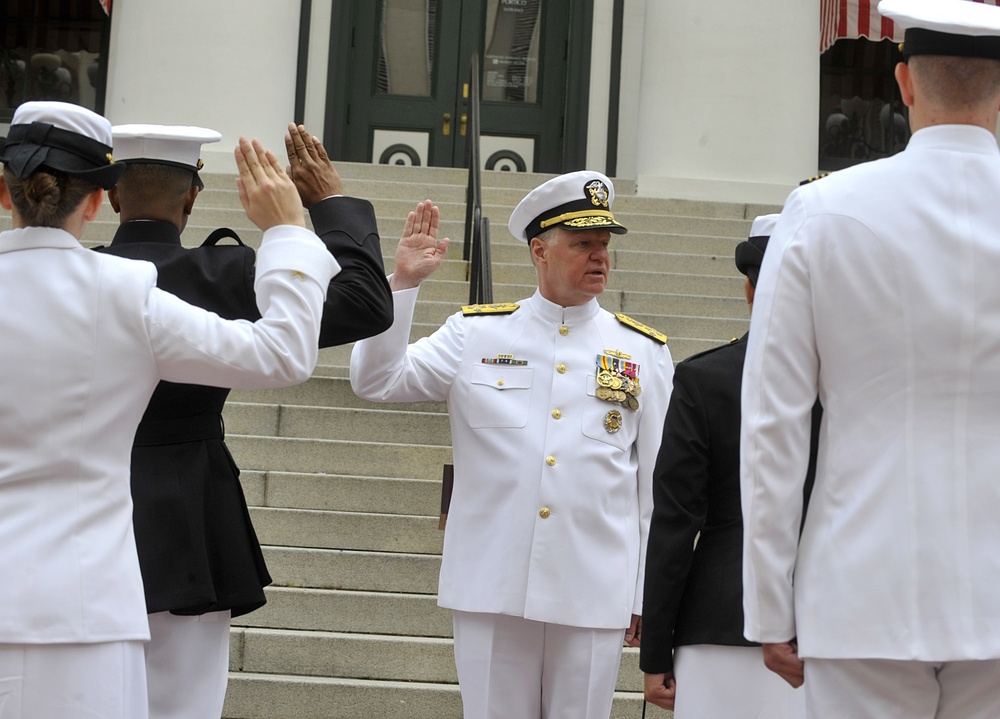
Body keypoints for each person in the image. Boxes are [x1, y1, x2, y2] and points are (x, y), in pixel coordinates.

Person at [0, 101, 338, 719]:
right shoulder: (124, 292)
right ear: (100, 198)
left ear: (5, 192)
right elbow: (283, 355)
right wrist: (288, 232)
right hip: (84, 605)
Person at [740, 1, 1000, 717]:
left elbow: (773, 423)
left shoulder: (820, 211)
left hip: (862, 583)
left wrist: (770, 602)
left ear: (905, 86)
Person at [349, 172, 674, 719]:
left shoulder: (641, 350)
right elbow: (376, 380)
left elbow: (655, 486)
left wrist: (647, 593)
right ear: (540, 250)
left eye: (603, 245)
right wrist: (403, 284)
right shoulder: (475, 335)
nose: (599, 257)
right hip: (492, 582)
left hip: (593, 586)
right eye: (582, 244)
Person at [97, 122, 392, 719]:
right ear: (192, 199)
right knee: (183, 699)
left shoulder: (81, 280)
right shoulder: (228, 274)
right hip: (190, 510)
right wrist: (324, 204)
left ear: (112, 196)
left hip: (86, 497)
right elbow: (365, 303)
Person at [640, 214, 814, 717]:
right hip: (831, 621)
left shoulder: (702, 379)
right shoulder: (856, 380)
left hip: (718, 620)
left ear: (749, 289)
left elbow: (674, 521)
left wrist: (656, 651)